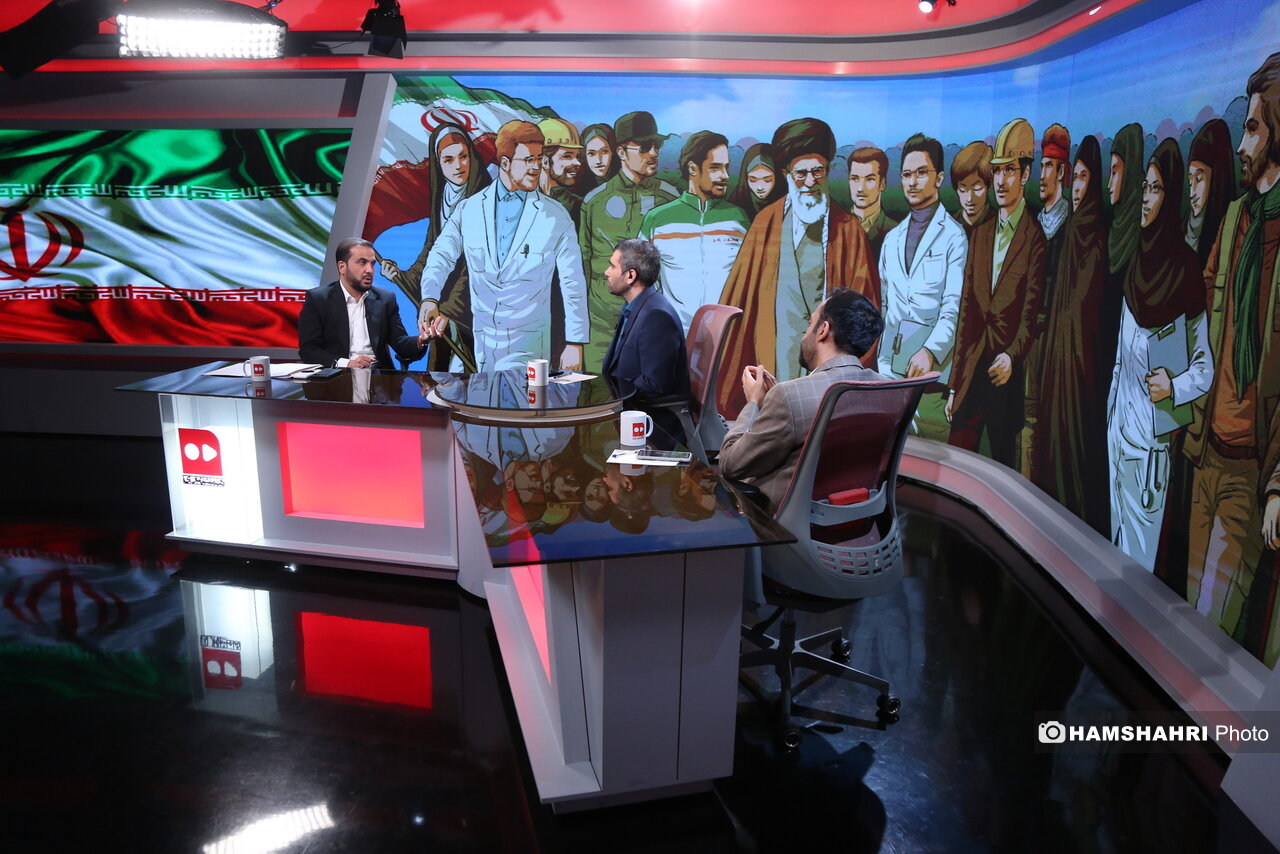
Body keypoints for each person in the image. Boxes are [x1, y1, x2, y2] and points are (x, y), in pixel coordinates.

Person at [1183, 52, 1280, 662]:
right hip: (1206, 450)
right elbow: (1203, 321)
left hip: (1251, 464)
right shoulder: (1236, 217)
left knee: (1211, 629)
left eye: (1253, 129)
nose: (1244, 146)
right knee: (1191, 613)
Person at [717, 117, 879, 418]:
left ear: (827, 171)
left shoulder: (849, 230)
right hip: (775, 358)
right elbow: (739, 300)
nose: (809, 181)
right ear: (786, 174)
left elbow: (866, 312)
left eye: (818, 171)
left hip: (828, 371)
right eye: (801, 173)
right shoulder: (765, 223)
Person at [1105, 138, 1211, 573]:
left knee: (1138, 560)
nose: (1146, 199)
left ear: (1171, 197)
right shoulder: (1137, 262)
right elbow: (1120, 354)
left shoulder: (1185, 271)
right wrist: (1111, 415)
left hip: (1152, 444)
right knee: (1116, 546)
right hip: (1118, 434)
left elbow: (1203, 368)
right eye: (1144, 188)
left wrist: (1173, 386)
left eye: (1156, 189)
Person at [417, 119, 588, 372]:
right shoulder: (469, 209)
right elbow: (441, 255)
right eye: (528, 160)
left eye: (539, 159)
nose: (536, 167)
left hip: (529, 348)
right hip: (481, 346)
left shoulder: (556, 216)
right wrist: (430, 297)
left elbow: (573, 282)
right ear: (505, 164)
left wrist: (575, 342)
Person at [718, 289, 885, 513]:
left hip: (780, 523)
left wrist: (753, 404)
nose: (805, 333)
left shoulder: (789, 396)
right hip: (859, 519)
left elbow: (730, 465)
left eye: (810, 323)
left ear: (822, 330)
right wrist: (775, 405)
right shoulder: (888, 389)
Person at [946, 118, 1046, 469]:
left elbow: (1031, 313)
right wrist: (955, 385)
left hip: (1004, 378)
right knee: (956, 464)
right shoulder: (982, 232)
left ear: (1025, 174)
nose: (1001, 181)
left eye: (1010, 171)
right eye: (998, 171)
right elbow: (967, 313)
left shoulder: (1035, 238)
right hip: (972, 372)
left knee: (1000, 470)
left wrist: (1012, 356)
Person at [1033, 134, 1111, 535]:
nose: (1078, 187)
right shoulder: (1066, 233)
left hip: (1080, 375)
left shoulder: (1096, 236)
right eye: (1075, 178)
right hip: (1054, 364)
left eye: (1083, 178)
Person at [877, 133, 967, 442]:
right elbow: (887, 307)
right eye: (906, 174)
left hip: (931, 381)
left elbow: (953, 307)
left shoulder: (954, 236)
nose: (912, 182)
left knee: (929, 459)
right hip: (891, 377)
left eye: (921, 173)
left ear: (939, 178)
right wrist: (883, 367)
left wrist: (930, 351)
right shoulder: (892, 239)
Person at [379, 122, 490, 370]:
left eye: (463, 156)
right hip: (444, 313)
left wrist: (449, 308)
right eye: (448, 160)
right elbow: (432, 253)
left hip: (479, 313)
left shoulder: (486, 199)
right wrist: (401, 276)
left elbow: (476, 264)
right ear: (438, 164)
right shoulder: (442, 198)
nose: (458, 166)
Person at [578, 111, 679, 371]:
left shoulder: (669, 199)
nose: (653, 153)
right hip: (602, 325)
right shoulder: (594, 201)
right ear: (622, 152)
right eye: (644, 147)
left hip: (650, 325)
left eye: (657, 145)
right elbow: (582, 267)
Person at [639, 130, 749, 332]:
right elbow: (641, 284)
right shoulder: (657, 219)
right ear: (692, 168)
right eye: (715, 168)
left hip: (728, 335)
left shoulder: (739, 218)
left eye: (726, 168)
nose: (724, 176)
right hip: (672, 336)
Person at [1023, 122, 1073, 479]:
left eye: (1050, 167)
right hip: (1029, 342)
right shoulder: (1033, 225)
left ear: (1063, 173)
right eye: (1041, 166)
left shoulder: (1071, 228)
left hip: (1055, 343)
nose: (1043, 176)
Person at [298, 238, 426, 370]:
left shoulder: (385, 299)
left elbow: (400, 343)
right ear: (342, 267)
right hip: (338, 373)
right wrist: (348, 363)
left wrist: (421, 341)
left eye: (372, 264)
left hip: (378, 375)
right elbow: (309, 350)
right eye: (362, 262)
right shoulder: (319, 299)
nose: (369, 270)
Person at [602, 238, 691, 404]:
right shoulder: (634, 307)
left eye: (612, 266)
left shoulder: (656, 316)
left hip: (643, 415)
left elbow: (654, 385)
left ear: (630, 275)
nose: (606, 272)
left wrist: (606, 396)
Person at [1185, 118, 1237, 268]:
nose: (1192, 193)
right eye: (1190, 181)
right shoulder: (1183, 230)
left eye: (1199, 179)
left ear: (1216, 178)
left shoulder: (1232, 229)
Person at [847, 146, 900, 263]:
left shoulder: (896, 233)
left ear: (882, 183)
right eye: (855, 179)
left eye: (869, 179)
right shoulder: (833, 228)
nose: (860, 188)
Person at [538, 117, 584, 224]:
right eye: (567, 156)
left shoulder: (578, 206)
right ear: (545, 161)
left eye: (577, 157)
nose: (578, 163)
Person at [728, 142, 785, 223]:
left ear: (777, 177)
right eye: (752, 180)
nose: (760, 187)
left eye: (767, 180)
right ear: (745, 178)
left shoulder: (788, 204)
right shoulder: (736, 205)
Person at [951, 141, 995, 238]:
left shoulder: (998, 225)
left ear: (989, 186)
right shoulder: (949, 225)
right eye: (963, 189)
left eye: (977, 188)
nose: (969, 198)